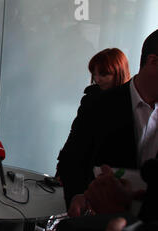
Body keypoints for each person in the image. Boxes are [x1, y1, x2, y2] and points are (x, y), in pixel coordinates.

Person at [57, 29, 158, 217]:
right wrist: (77, 196)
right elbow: (72, 159)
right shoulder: (98, 104)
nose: (97, 79)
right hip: (100, 226)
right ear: (153, 61)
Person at [55, 48, 131, 184]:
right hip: (83, 169)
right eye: (94, 74)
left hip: (115, 173)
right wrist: (63, 164)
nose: (97, 79)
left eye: (103, 74)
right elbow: (76, 133)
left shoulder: (132, 102)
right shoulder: (91, 98)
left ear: (119, 72)